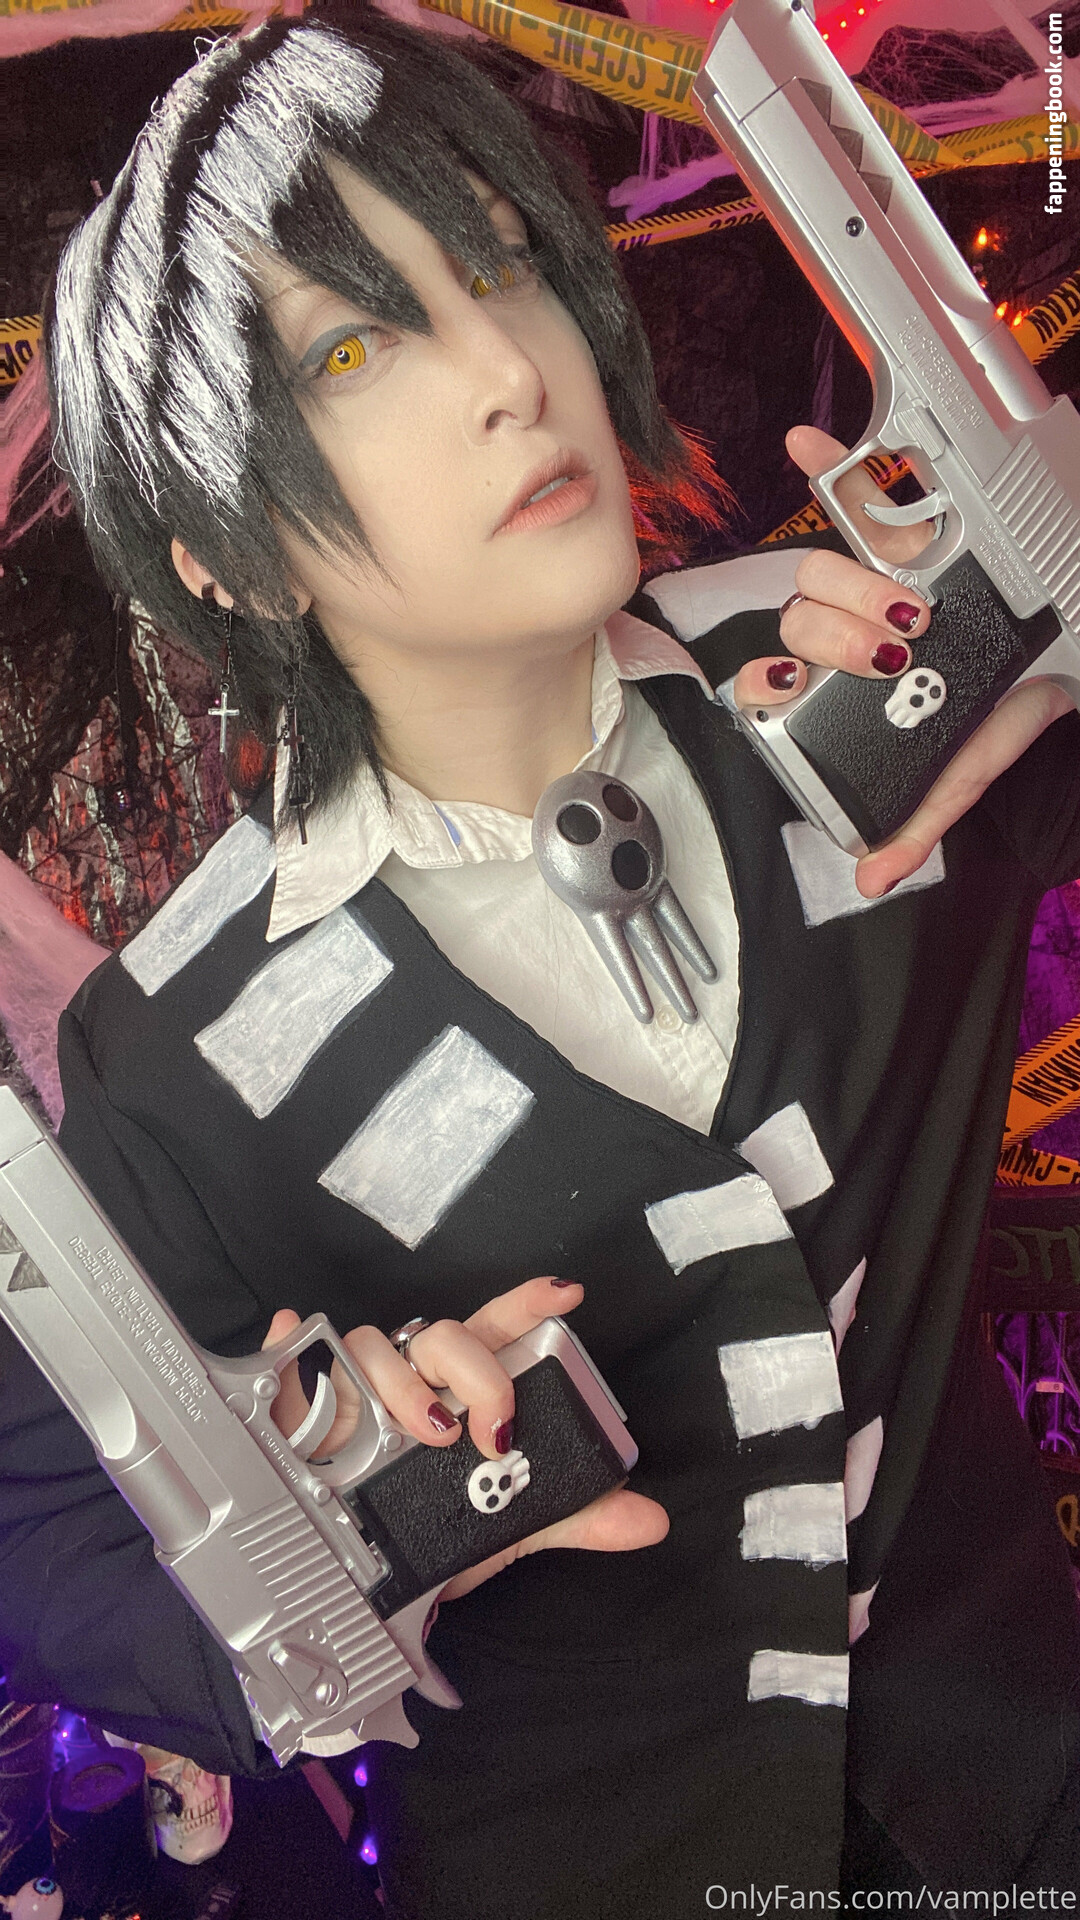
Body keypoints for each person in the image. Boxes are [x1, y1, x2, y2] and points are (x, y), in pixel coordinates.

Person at [1, 6, 1079, 1912]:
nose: (509, 371)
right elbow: (50, 1530)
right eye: (351, 351)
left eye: (498, 264)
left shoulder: (866, 659)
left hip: (1026, 1799)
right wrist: (342, 1517)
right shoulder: (178, 1047)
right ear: (224, 556)